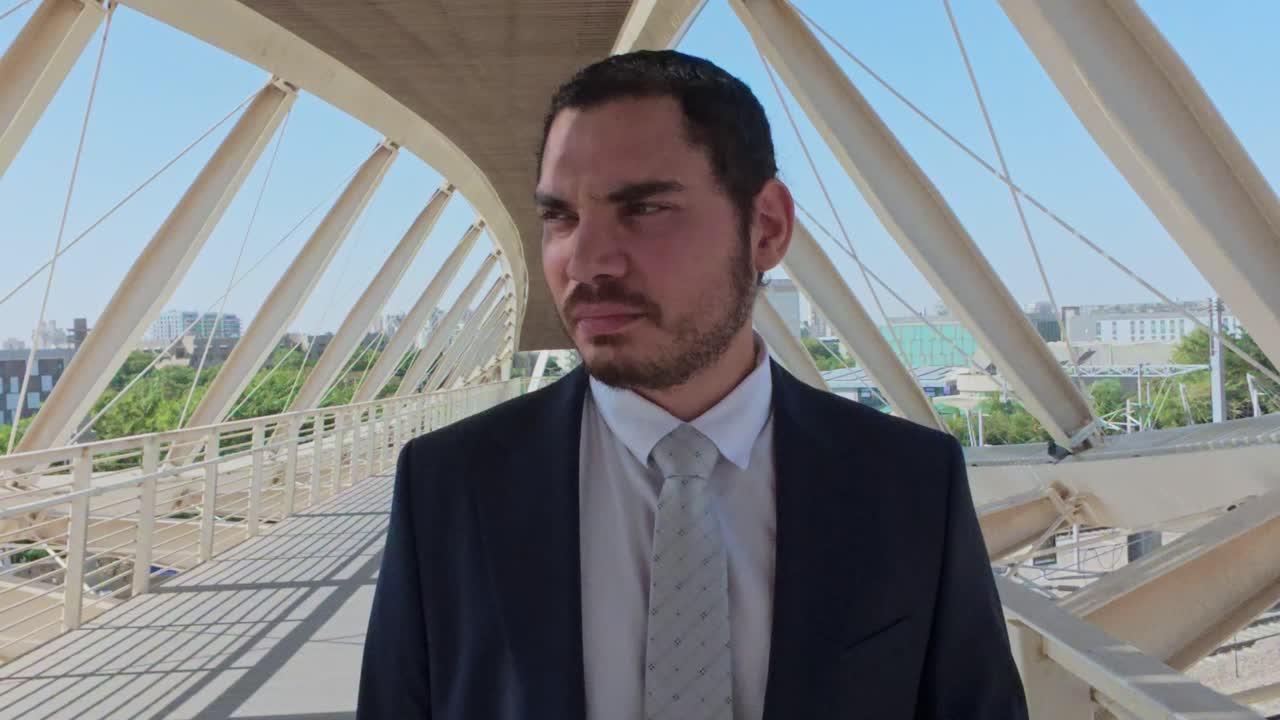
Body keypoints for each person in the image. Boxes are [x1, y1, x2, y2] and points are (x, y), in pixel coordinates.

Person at [358, 50, 1027, 720]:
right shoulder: (449, 483)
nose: (585, 262)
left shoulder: (909, 480)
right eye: (560, 216)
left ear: (766, 228)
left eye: (643, 207)